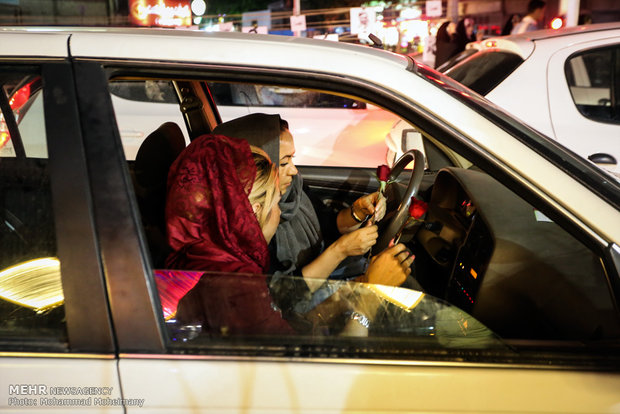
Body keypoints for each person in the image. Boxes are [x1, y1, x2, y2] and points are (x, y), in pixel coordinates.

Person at [166, 133, 412, 336]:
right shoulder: (235, 289)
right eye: (275, 203)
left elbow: (277, 307)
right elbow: (318, 376)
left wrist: (342, 298)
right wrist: (371, 295)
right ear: (254, 211)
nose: (279, 211)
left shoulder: (223, 261)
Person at [213, 113, 413, 288]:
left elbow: (326, 223)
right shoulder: (255, 219)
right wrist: (341, 250)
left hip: (327, 272)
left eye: (292, 158)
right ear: (254, 165)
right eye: (283, 162)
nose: (294, 170)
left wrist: (357, 211)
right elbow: (285, 294)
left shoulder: (292, 188)